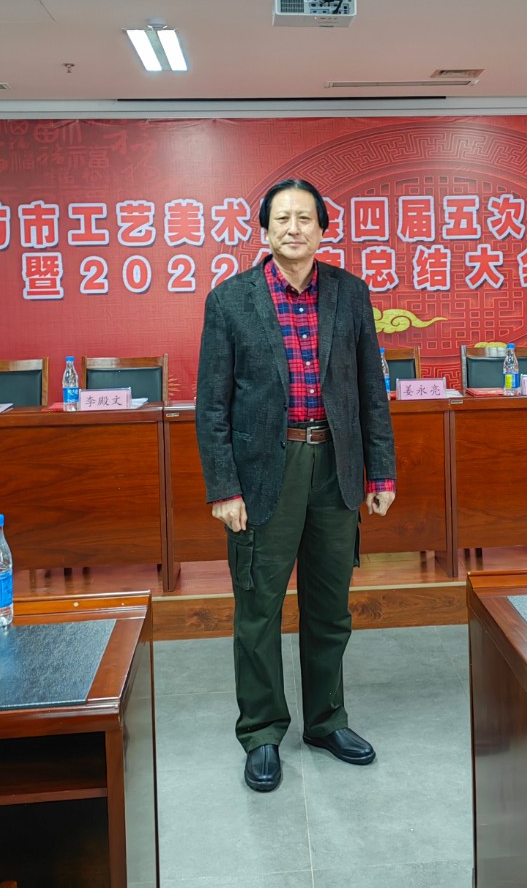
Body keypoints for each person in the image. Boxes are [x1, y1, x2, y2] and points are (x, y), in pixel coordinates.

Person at [195, 177, 397, 793]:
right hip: (264, 473)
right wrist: (224, 488)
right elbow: (212, 407)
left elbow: (370, 391)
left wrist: (380, 471)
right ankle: (261, 731)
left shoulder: (350, 293)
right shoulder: (230, 301)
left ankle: (327, 721)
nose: (293, 228)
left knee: (330, 608)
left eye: (305, 218)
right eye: (281, 218)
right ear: (264, 230)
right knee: (258, 609)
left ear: (322, 229)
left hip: (335, 468)